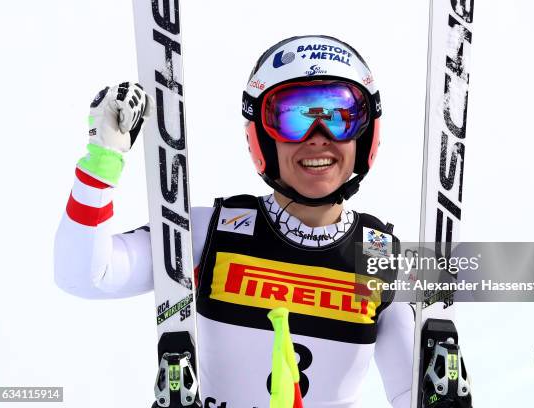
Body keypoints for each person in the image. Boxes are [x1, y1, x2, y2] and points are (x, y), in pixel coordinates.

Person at [54, 35, 414, 408]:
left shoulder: (389, 259)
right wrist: (101, 163)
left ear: (365, 135)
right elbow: (83, 275)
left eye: (339, 119)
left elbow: (410, 394)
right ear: (261, 138)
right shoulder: (210, 232)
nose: (317, 139)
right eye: (293, 119)